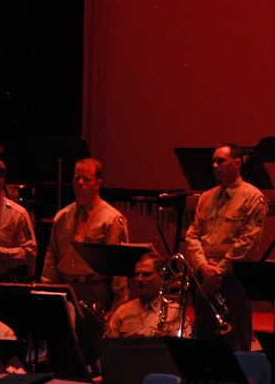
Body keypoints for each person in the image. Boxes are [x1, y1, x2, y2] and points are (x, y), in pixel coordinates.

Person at [41, 158, 129, 362]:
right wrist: (46, 291)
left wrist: (118, 306)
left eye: (86, 179)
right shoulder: (62, 216)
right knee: (63, 351)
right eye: (76, 178)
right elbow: (51, 257)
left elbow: (118, 265)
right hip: (65, 288)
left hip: (95, 289)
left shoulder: (111, 219)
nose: (79, 183)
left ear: (98, 182)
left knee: (91, 349)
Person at [184, 143, 268, 351]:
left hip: (234, 277)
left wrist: (218, 271)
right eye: (213, 161)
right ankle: (205, 383)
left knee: (236, 340)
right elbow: (193, 235)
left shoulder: (252, 197)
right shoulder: (206, 197)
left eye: (220, 161)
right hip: (205, 275)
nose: (214, 165)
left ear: (237, 163)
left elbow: (246, 242)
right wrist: (203, 266)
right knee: (204, 339)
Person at [106, 252, 191, 338]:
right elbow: (108, 347)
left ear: (161, 277)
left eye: (146, 274)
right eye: (136, 274)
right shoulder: (122, 312)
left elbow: (184, 348)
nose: (139, 279)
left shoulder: (175, 312)